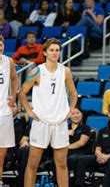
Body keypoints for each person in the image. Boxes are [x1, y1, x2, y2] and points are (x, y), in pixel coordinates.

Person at [18, 38, 78, 187]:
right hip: (41, 122)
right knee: (33, 164)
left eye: (57, 50)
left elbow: (74, 93)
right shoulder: (37, 71)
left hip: (60, 122)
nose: (54, 53)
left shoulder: (65, 71)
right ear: (44, 52)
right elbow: (22, 93)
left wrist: (70, 110)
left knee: (62, 164)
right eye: (51, 50)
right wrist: (29, 111)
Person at [74, 103, 110, 187]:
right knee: (82, 159)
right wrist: (99, 155)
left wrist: (109, 156)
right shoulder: (102, 131)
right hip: (103, 157)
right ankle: (79, 185)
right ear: (109, 114)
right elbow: (97, 148)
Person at [0, 36, 19, 185]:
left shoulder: (8, 61)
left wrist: (13, 95)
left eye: (1, 45)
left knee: (1, 156)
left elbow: (14, 79)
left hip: (4, 112)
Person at [67, 107, 91, 174]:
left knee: (72, 159)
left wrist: (66, 147)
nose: (75, 116)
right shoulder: (65, 128)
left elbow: (81, 143)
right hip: (66, 152)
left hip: (80, 152)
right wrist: (65, 133)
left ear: (82, 114)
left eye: (77, 113)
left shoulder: (85, 128)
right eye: (73, 114)